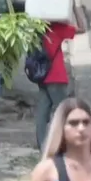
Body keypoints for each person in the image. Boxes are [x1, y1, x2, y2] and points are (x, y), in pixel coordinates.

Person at [34, 20, 79, 150]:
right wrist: (76, 9)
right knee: (65, 112)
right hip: (56, 77)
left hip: (41, 76)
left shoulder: (36, 30)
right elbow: (81, 28)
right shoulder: (57, 28)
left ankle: (43, 147)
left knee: (42, 113)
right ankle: (68, 144)